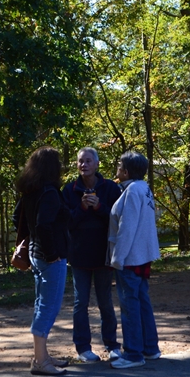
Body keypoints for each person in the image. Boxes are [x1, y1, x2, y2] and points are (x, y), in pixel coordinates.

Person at [62, 147, 123, 363]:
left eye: (88, 161)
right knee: (80, 303)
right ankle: (83, 348)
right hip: (79, 256)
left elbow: (118, 221)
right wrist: (81, 208)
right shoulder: (69, 190)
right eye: (80, 161)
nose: (84, 165)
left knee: (105, 301)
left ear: (97, 164)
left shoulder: (110, 189)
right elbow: (66, 223)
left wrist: (99, 207)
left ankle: (112, 345)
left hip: (104, 255)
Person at [14, 146, 71, 376]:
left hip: (36, 257)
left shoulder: (31, 191)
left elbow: (17, 218)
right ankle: (40, 361)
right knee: (48, 307)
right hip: (48, 258)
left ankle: (42, 355)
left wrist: (35, 242)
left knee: (42, 305)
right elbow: (43, 224)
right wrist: (52, 253)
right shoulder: (48, 192)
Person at [106, 151, 162, 369]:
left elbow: (126, 228)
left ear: (126, 171)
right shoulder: (143, 188)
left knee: (130, 306)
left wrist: (117, 259)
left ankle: (133, 354)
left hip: (130, 257)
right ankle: (150, 348)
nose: (117, 170)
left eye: (119, 166)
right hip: (142, 255)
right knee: (142, 302)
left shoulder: (132, 192)